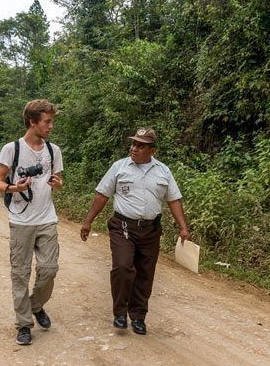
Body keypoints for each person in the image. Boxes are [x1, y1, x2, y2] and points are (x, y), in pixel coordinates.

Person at [80, 128, 189, 335]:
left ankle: (138, 316)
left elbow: (173, 199)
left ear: (152, 150)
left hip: (151, 230)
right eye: (133, 144)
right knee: (122, 267)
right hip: (123, 227)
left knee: (145, 273)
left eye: (140, 145)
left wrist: (183, 227)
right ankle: (120, 313)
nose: (134, 148)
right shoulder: (119, 167)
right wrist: (88, 221)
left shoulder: (163, 171)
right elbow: (102, 195)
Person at [0, 99, 63, 345]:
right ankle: (23, 324)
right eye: (47, 121)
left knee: (49, 270)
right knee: (20, 274)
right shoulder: (11, 149)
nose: (51, 126)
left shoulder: (53, 150)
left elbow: (59, 179)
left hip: (47, 219)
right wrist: (15, 187)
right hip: (21, 221)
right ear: (32, 122)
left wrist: (58, 183)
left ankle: (36, 305)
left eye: (51, 121)